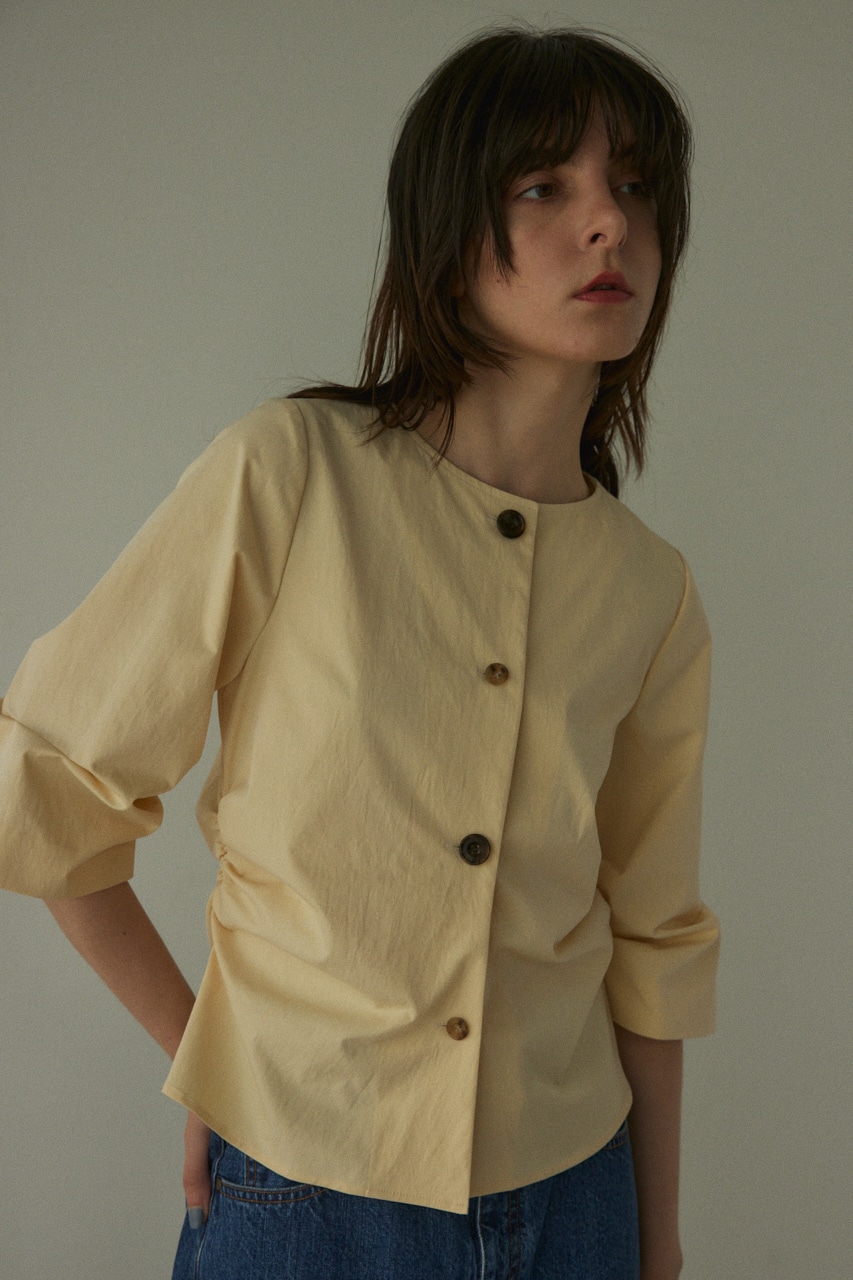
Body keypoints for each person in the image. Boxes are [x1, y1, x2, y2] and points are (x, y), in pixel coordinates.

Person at [0, 23, 721, 1280]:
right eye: (543, 185)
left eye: (635, 186)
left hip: (577, 1199)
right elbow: (48, 784)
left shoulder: (648, 587)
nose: (609, 223)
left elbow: (650, 938)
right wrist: (207, 1058)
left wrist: (655, 1239)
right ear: (447, 233)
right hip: (300, 1197)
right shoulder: (290, 474)